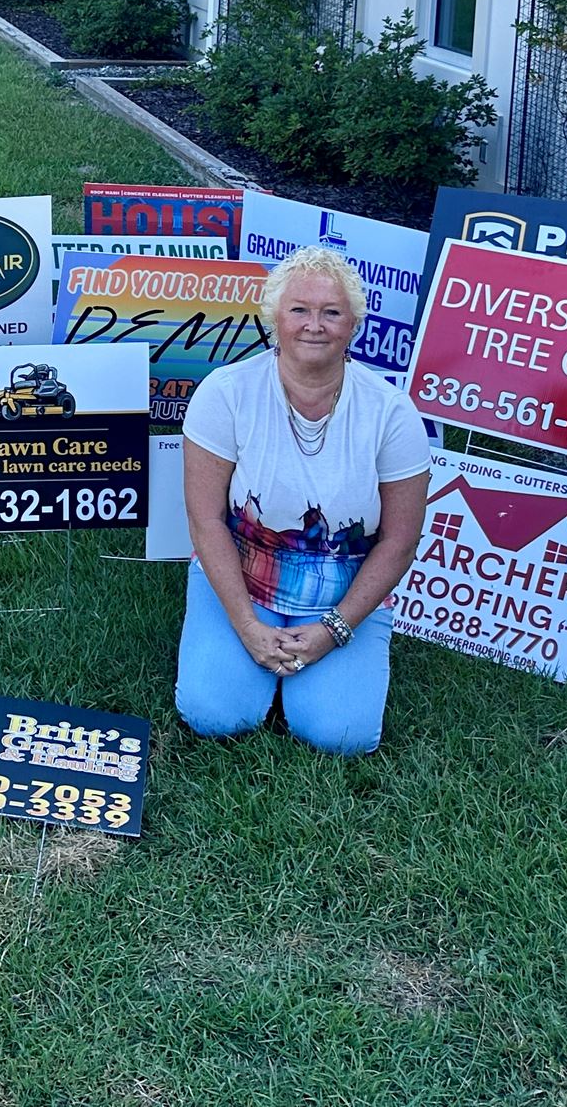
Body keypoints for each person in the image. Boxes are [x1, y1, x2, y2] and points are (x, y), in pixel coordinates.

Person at [174, 244, 432, 756]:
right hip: (244, 575)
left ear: (353, 324)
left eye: (331, 312)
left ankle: (300, 670)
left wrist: (334, 630)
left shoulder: (392, 412)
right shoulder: (225, 393)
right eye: (299, 310)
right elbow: (206, 521)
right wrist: (247, 625)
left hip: (344, 587)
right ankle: (257, 660)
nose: (314, 325)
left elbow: (400, 541)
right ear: (274, 318)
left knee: (342, 736)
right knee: (214, 716)